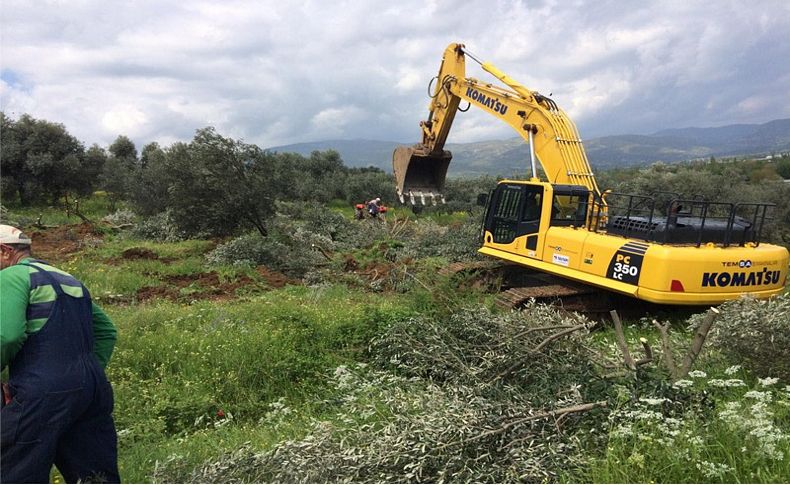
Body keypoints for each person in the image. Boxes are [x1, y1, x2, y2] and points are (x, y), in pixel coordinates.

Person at [0, 224, 120, 483]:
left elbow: (6, 335)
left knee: (16, 471)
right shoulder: (67, 278)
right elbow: (107, 330)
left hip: (41, 390)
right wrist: (84, 374)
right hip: (93, 390)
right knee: (95, 476)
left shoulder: (10, 277)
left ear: (4, 251)